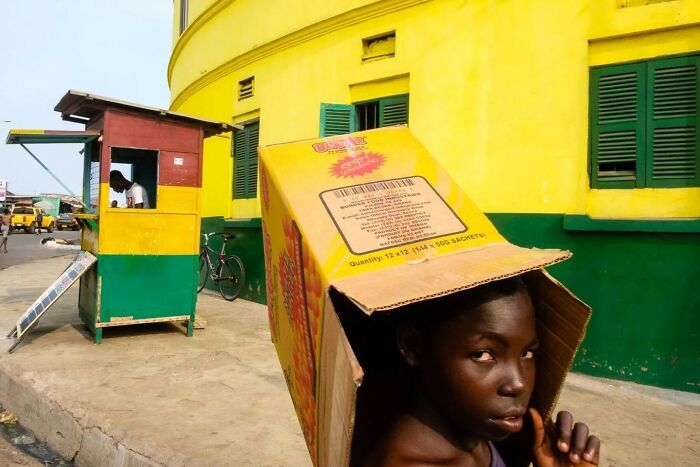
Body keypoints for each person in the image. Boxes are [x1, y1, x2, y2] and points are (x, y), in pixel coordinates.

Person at [364, 277, 601, 467]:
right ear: (413, 347)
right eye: (483, 355)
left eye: (527, 353)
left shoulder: (480, 438)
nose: (518, 384)